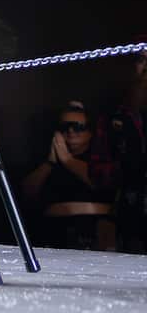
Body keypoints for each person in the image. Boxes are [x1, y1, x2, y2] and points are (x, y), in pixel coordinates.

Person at [22, 100, 116, 250]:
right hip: (53, 236)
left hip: (93, 236)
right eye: (65, 127)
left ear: (90, 132)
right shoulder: (46, 159)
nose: (71, 132)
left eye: (78, 127)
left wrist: (67, 160)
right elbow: (26, 194)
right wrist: (50, 163)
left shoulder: (101, 160)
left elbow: (100, 183)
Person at [90, 46, 147, 253]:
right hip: (131, 219)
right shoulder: (112, 118)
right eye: (141, 59)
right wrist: (126, 168)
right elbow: (96, 172)